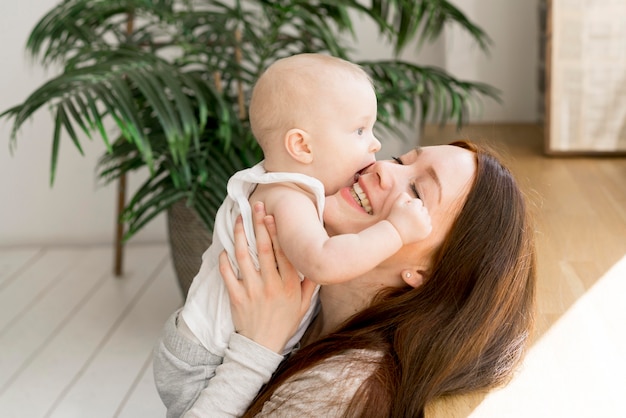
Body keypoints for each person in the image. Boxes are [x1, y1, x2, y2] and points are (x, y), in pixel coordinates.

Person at [156, 140, 536, 417]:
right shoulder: (301, 298)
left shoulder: (336, 390)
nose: (385, 168)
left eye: (417, 191)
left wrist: (256, 351)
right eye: (403, 159)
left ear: (427, 272)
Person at [155, 54, 432, 417]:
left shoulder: (291, 191)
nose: (376, 145)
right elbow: (324, 261)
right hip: (202, 360)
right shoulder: (286, 196)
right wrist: (396, 229)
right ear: (302, 146)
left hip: (203, 347)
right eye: (360, 130)